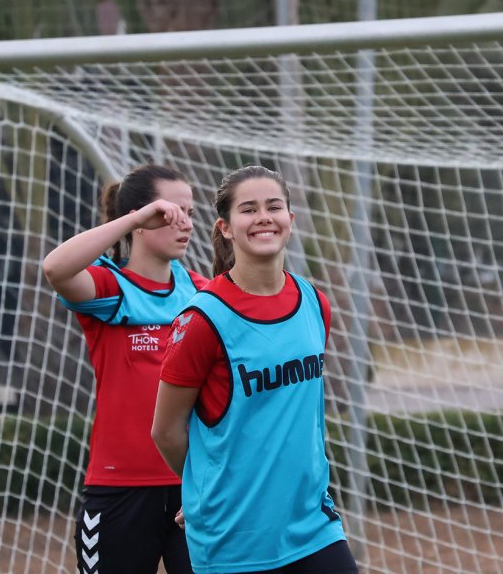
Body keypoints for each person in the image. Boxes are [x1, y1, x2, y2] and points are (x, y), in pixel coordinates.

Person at [151, 165, 358, 574]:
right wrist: (203, 489)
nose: (264, 217)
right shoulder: (202, 319)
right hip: (234, 539)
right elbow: (166, 430)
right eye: (249, 209)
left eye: (273, 206)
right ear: (226, 227)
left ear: (290, 220)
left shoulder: (315, 304)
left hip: (314, 527)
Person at [42, 163, 206, 574]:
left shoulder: (204, 294)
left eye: (190, 212)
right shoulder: (110, 287)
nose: (184, 223)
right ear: (141, 219)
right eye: (171, 212)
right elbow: (55, 268)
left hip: (195, 488)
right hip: (119, 491)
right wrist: (131, 218)